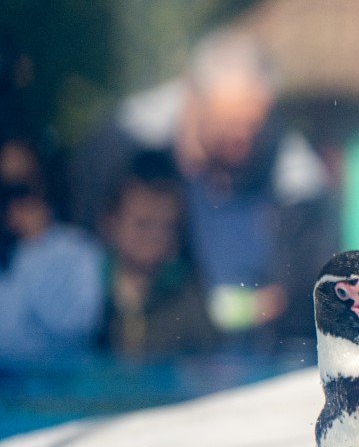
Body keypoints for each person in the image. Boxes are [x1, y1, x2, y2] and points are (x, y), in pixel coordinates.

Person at [71, 31, 337, 352]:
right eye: (229, 127)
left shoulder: (297, 181)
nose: (242, 141)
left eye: (253, 128)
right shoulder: (121, 150)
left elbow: (310, 294)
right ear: (193, 101)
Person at [98, 150, 217, 359]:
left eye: (167, 226)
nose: (154, 237)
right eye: (142, 224)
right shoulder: (89, 288)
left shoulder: (187, 296)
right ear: (110, 223)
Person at [0, 134, 104, 368]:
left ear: (42, 183)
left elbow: (74, 328)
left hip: (58, 384)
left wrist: (32, 248)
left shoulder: (79, 251)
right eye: (5, 190)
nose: (12, 202)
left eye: (22, 188)